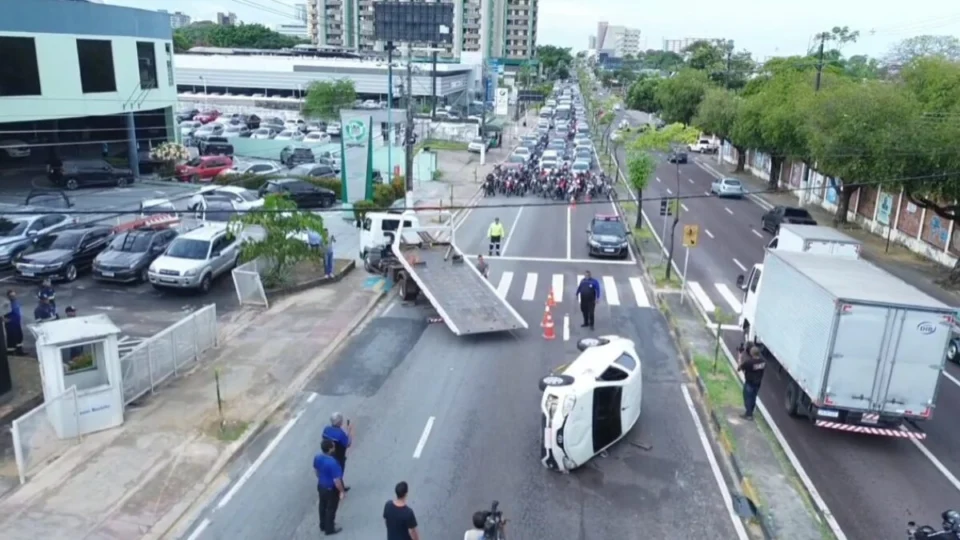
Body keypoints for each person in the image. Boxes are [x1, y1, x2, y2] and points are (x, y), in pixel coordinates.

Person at [313, 439, 346, 535]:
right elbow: (337, 481)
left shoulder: (317, 457)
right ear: (330, 449)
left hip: (321, 485)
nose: (334, 447)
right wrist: (342, 491)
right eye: (333, 446)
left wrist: (321, 478)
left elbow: (316, 470)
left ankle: (322, 525)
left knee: (322, 505)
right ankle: (329, 528)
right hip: (330, 488)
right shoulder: (333, 463)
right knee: (331, 508)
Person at [322, 412, 353, 491]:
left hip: (327, 454)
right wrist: (349, 431)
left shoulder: (326, 429)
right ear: (340, 422)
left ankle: (338, 485)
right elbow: (348, 443)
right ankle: (339, 488)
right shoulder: (340, 434)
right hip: (339, 456)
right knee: (339, 472)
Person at [738, 345, 766, 420]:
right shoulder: (763, 362)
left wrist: (740, 355)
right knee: (753, 397)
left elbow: (739, 368)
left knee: (747, 397)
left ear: (751, 353)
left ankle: (748, 414)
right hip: (758, 383)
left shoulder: (749, 362)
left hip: (749, 383)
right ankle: (751, 411)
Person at [4, 290, 24, 355]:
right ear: (8, 296)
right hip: (10, 324)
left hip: (17, 323)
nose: (14, 297)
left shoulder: (16, 302)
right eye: (12, 296)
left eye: (14, 295)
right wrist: (3, 319)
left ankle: (19, 351)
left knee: (19, 336)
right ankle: (10, 352)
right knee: (11, 338)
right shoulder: (6, 304)